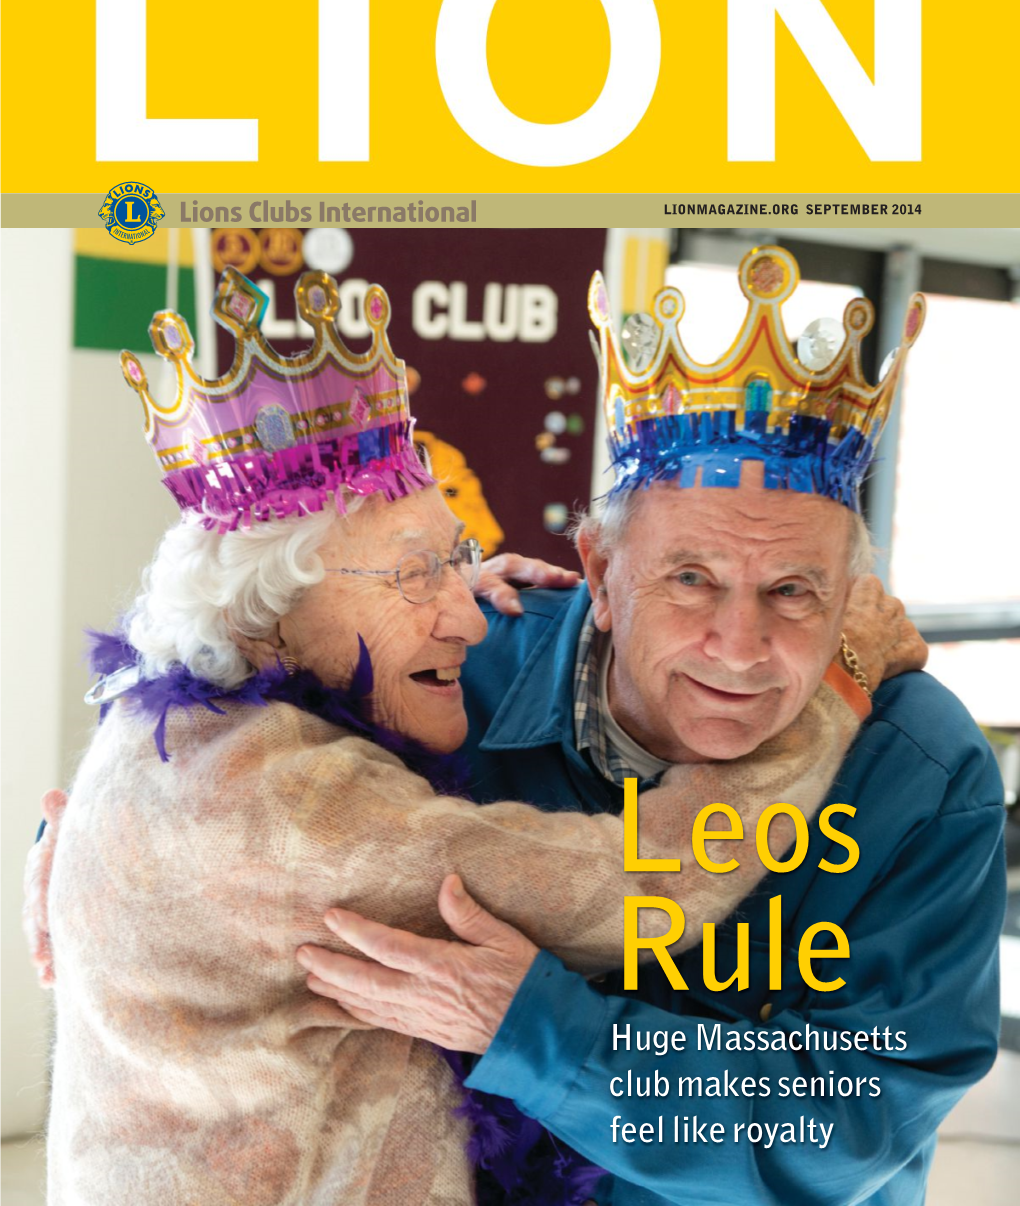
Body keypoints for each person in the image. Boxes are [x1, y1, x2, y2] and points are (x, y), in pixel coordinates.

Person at [31, 264, 906, 1206]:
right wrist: (839, 687)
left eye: (458, 558)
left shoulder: (179, 743)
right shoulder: (277, 802)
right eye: (414, 575)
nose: (476, 616)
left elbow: (858, 1129)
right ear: (268, 609)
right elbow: (647, 878)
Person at [299, 247, 1006, 1206]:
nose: (740, 646)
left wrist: (534, 1030)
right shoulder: (461, 669)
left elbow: (848, 1124)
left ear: (854, 598)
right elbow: (225, 763)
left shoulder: (922, 771)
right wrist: (87, 841)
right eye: (691, 579)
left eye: (794, 591)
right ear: (598, 572)